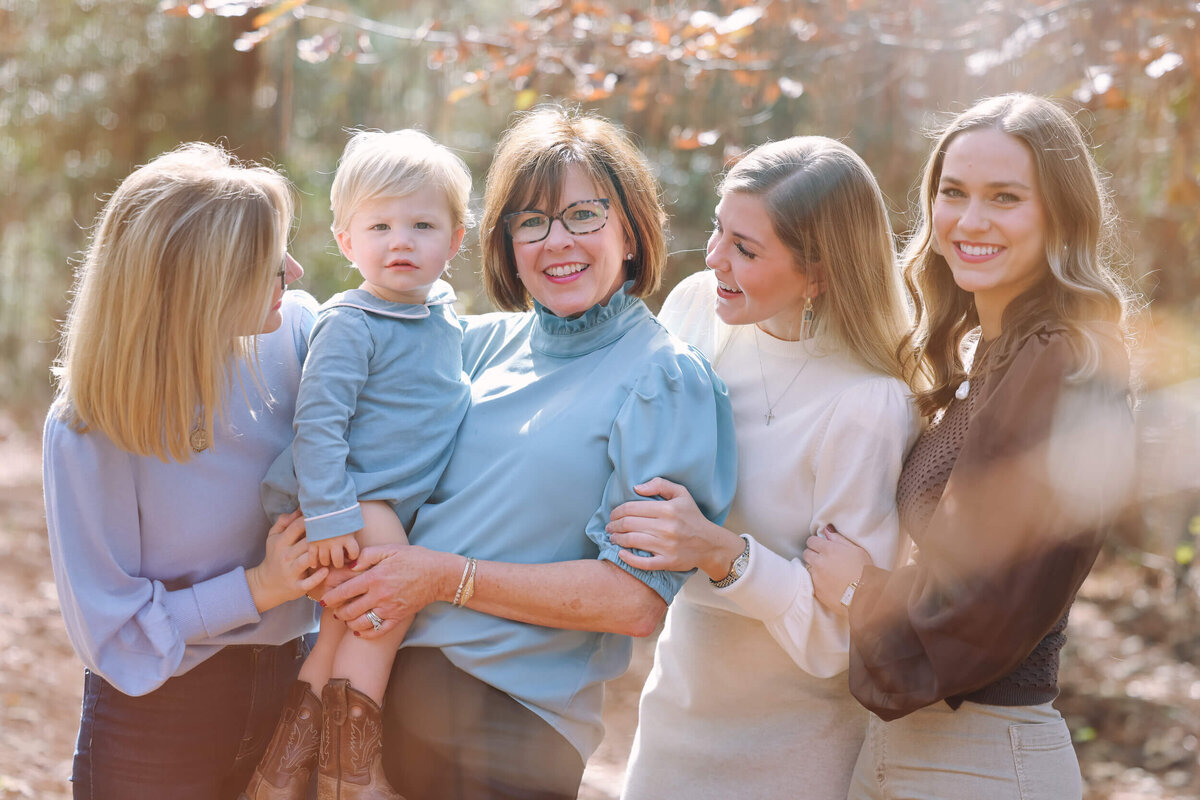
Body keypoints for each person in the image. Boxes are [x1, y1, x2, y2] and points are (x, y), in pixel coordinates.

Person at [316, 105, 738, 800]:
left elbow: (634, 601)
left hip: (502, 736)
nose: (556, 241)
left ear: (630, 231)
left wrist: (443, 577)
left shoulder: (663, 378)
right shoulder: (471, 345)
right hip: (377, 707)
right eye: (531, 221)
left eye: (583, 215)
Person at [803, 93, 1135, 799]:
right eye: (953, 193)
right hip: (911, 751)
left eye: (1005, 197)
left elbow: (991, 593)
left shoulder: (1060, 360)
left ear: (1059, 216)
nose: (970, 221)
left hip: (984, 760)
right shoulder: (993, 356)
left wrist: (863, 590)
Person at [607, 137, 921, 800]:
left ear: (820, 274)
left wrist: (724, 554)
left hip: (797, 749)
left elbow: (838, 639)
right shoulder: (697, 308)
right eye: (720, 231)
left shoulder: (867, 403)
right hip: (675, 716)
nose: (715, 258)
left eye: (747, 250)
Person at [43, 143, 322, 800]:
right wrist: (260, 587)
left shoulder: (303, 336)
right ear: (203, 284)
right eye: (268, 262)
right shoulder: (90, 426)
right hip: (159, 716)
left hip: (297, 686)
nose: (295, 269)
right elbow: (112, 632)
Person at [244, 130, 473, 800]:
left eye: (422, 225)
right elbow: (318, 424)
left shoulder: (444, 317)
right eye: (379, 225)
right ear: (346, 242)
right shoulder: (352, 323)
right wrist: (332, 513)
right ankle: (352, 778)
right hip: (350, 496)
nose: (400, 241)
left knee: (336, 634)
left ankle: (280, 775)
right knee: (382, 614)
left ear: (455, 241)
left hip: (381, 500)